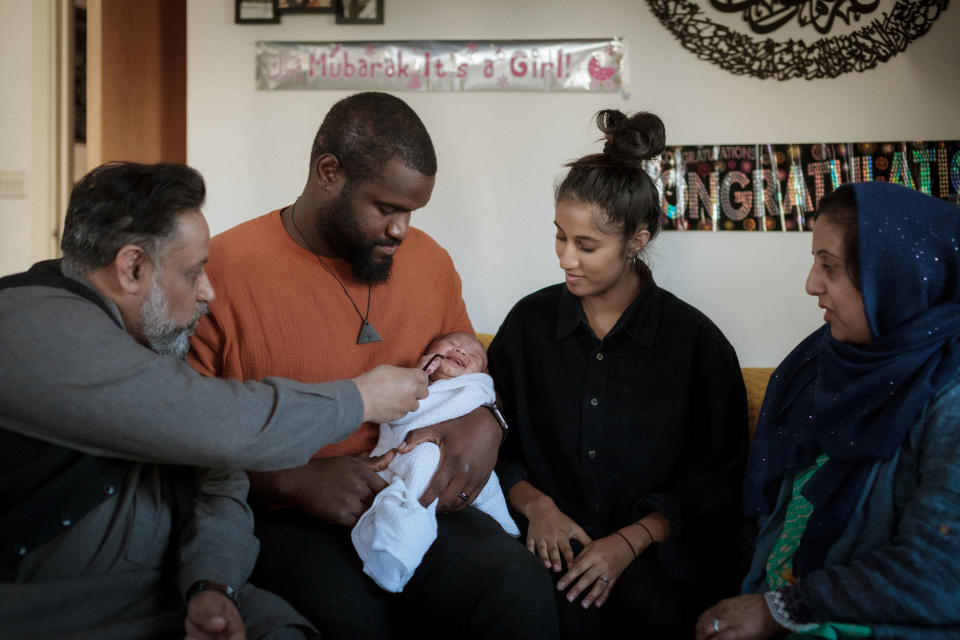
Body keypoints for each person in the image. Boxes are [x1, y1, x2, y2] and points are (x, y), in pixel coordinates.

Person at [0, 161, 428, 640]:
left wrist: (213, 584)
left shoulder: (148, 334)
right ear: (132, 267)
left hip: (175, 589)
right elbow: (218, 424)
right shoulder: (29, 326)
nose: (208, 290)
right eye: (194, 272)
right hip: (67, 606)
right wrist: (358, 398)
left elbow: (219, 474)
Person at [189, 92, 557, 640]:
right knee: (350, 623)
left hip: (408, 502)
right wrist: (292, 481)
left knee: (517, 589)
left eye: (411, 212)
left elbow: (469, 382)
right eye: (386, 208)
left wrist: (490, 423)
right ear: (329, 173)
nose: (401, 230)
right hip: (285, 512)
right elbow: (183, 436)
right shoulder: (220, 272)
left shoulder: (429, 262)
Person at [486, 109, 749, 639]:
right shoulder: (527, 327)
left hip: (658, 555)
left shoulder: (696, 343)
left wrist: (629, 541)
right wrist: (536, 506)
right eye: (560, 237)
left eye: (586, 246)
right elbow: (490, 438)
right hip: (544, 545)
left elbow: (718, 478)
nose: (566, 259)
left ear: (637, 239)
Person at [696, 182, 960, 640]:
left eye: (829, 267)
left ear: (894, 277)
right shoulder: (824, 362)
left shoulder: (949, 396)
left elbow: (940, 575)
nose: (811, 284)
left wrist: (783, 608)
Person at [352, 332, 520, 593]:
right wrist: (419, 376)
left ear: (483, 372)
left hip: (466, 457)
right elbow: (394, 415)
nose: (462, 351)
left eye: (473, 354)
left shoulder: (479, 387)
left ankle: (506, 528)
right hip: (412, 449)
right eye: (452, 345)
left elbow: (493, 407)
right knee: (423, 461)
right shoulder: (414, 380)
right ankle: (398, 542)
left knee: (488, 485)